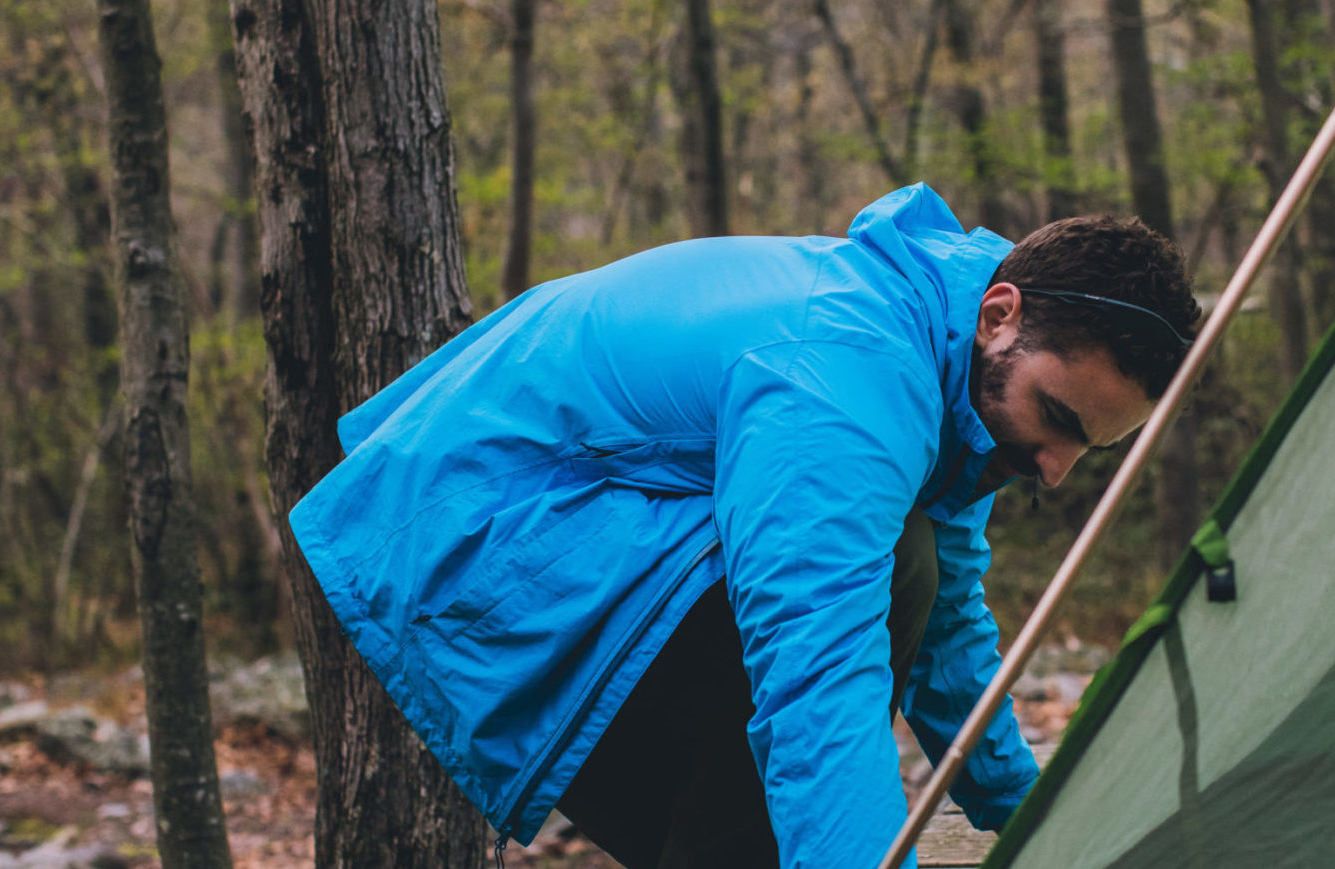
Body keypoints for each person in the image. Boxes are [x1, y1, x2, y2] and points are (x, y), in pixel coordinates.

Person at [287, 183, 1200, 868]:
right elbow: (817, 663)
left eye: (1088, 446)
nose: (1055, 467)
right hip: (465, 544)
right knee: (876, 592)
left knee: (914, 567)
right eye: (1058, 419)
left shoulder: (949, 379)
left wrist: (1047, 822)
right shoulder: (846, 372)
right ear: (1000, 316)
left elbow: (950, 636)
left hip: (565, 530)